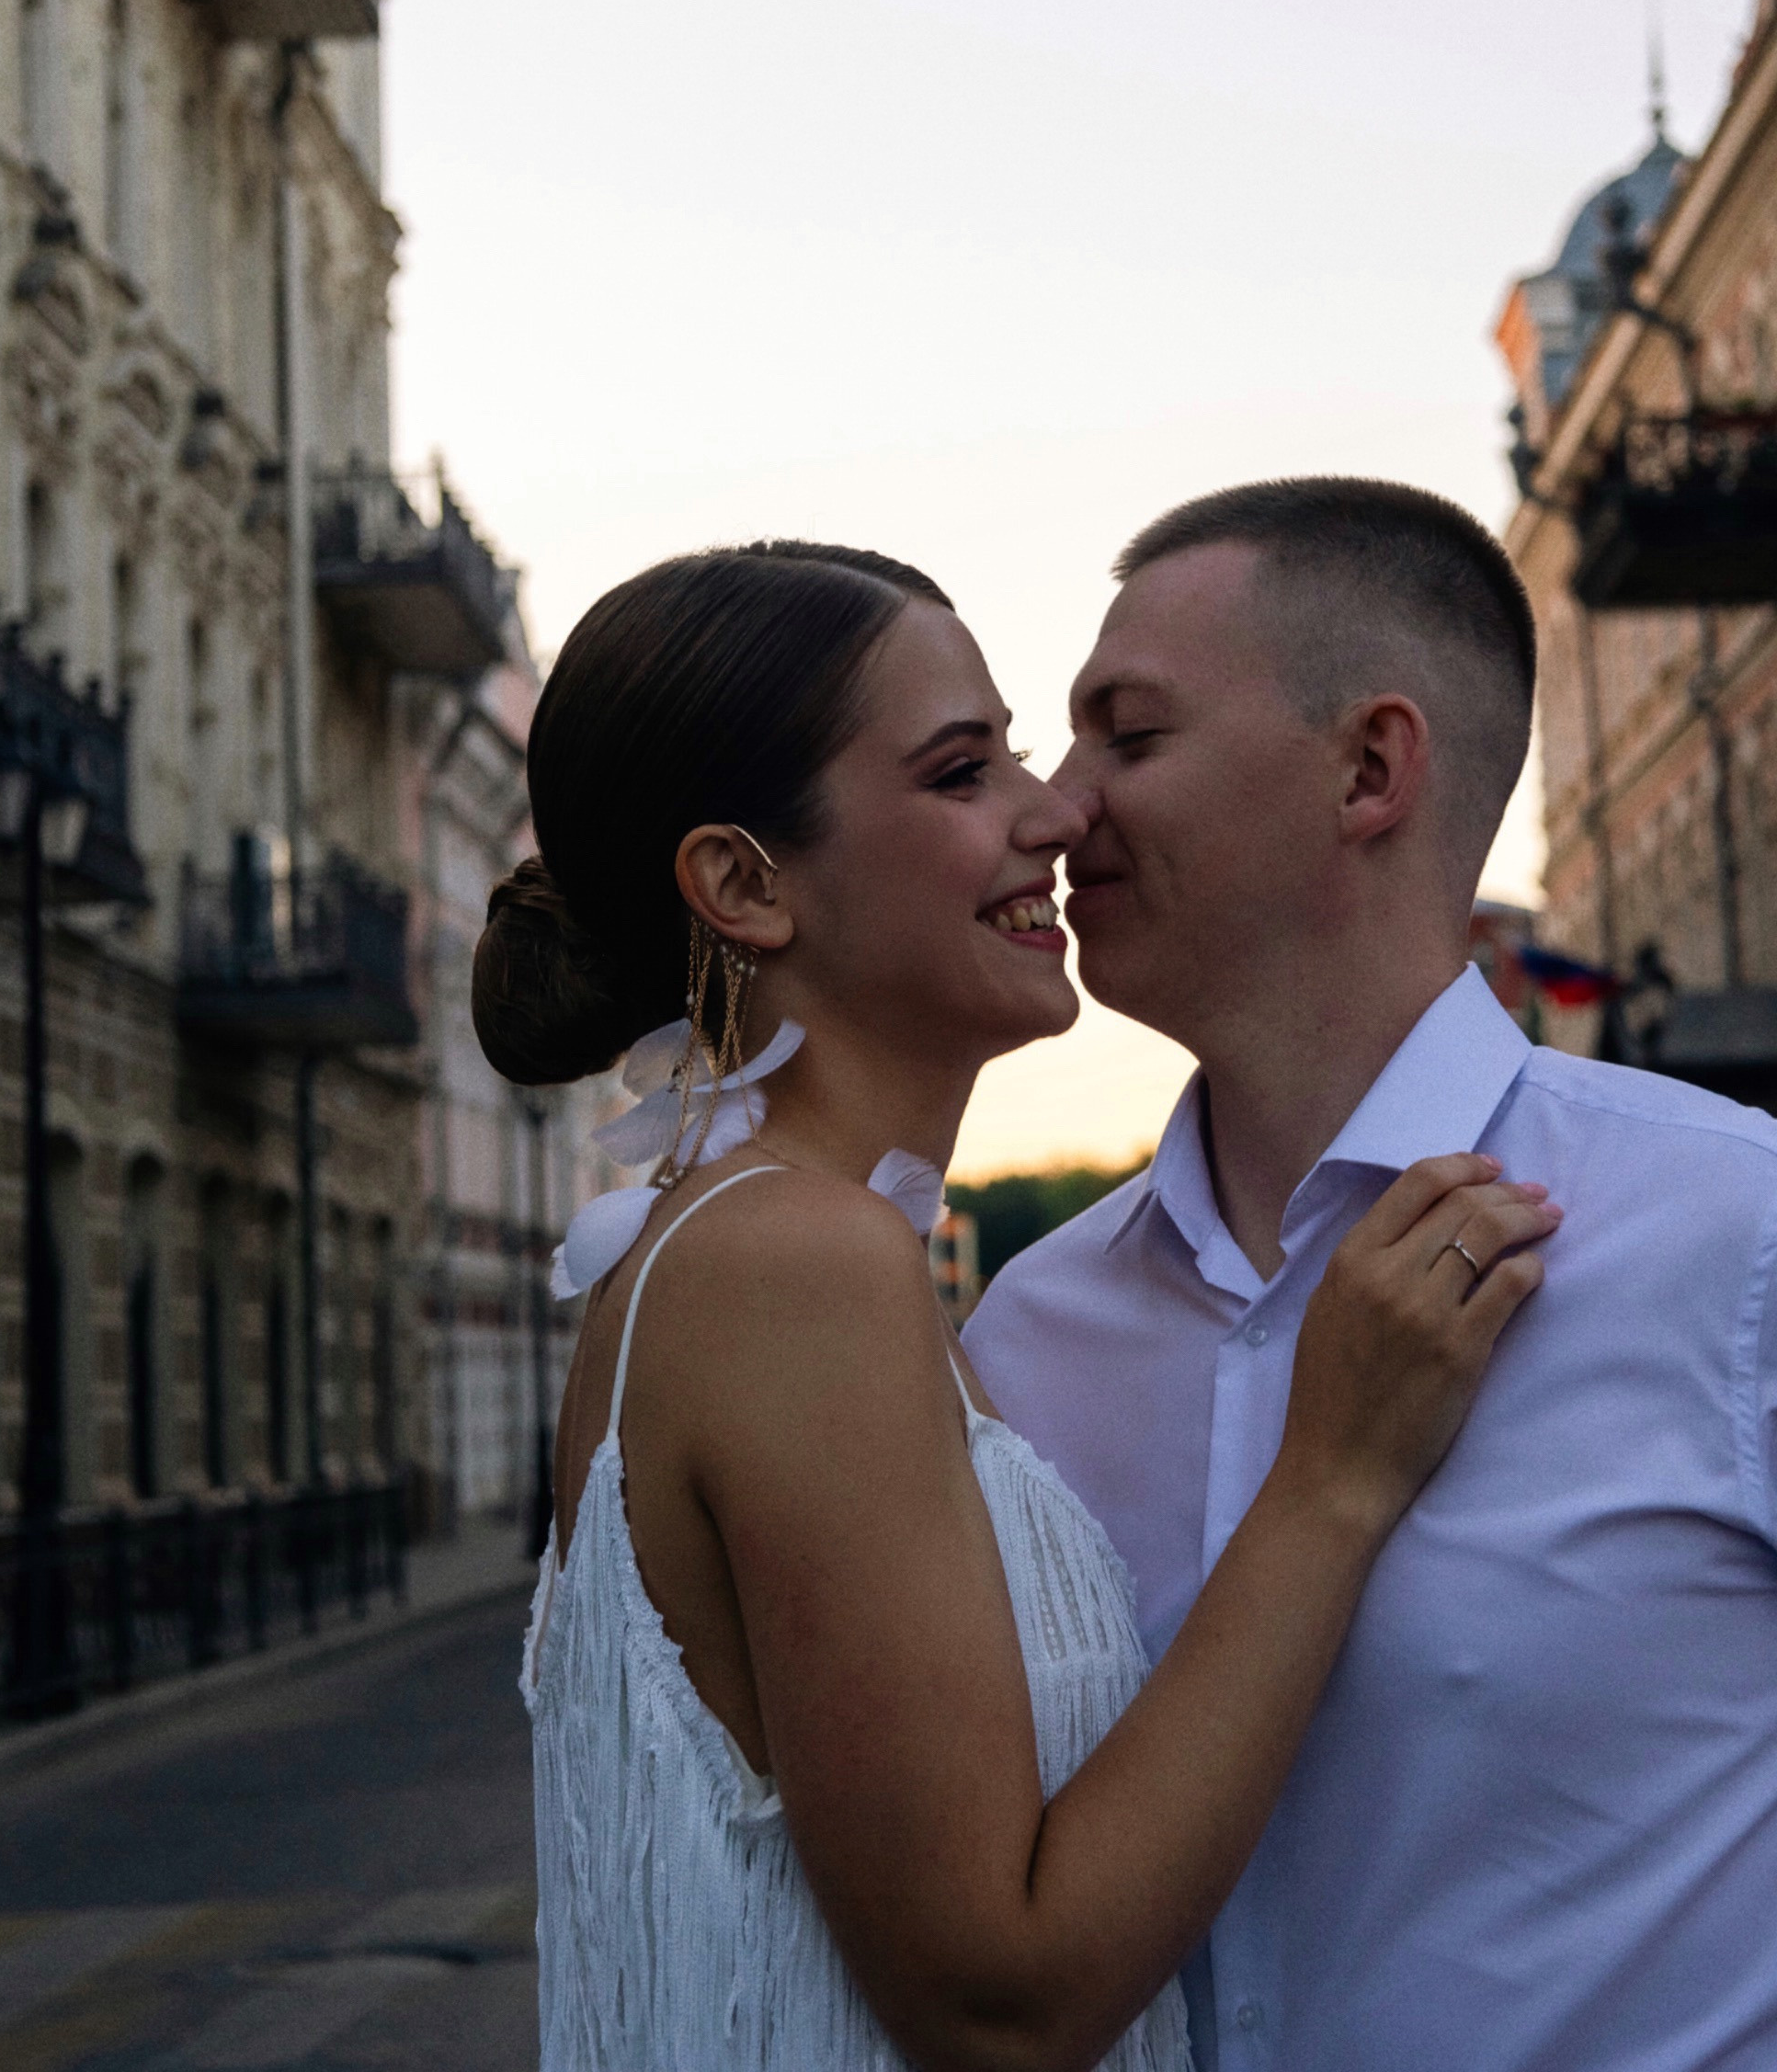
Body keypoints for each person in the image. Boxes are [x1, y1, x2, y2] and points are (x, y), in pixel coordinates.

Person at [474, 538, 1558, 2072]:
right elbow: (1001, 2000)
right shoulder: (792, 1263)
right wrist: (1334, 1474)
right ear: (745, 885)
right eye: (961, 771)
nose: (1055, 815)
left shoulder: (763, 1247)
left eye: (1021, 754)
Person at [965, 476, 1777, 2072]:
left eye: (1129, 737)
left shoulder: (1736, 1232)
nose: (1054, 809)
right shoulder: (1027, 1338)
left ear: (1369, 769)